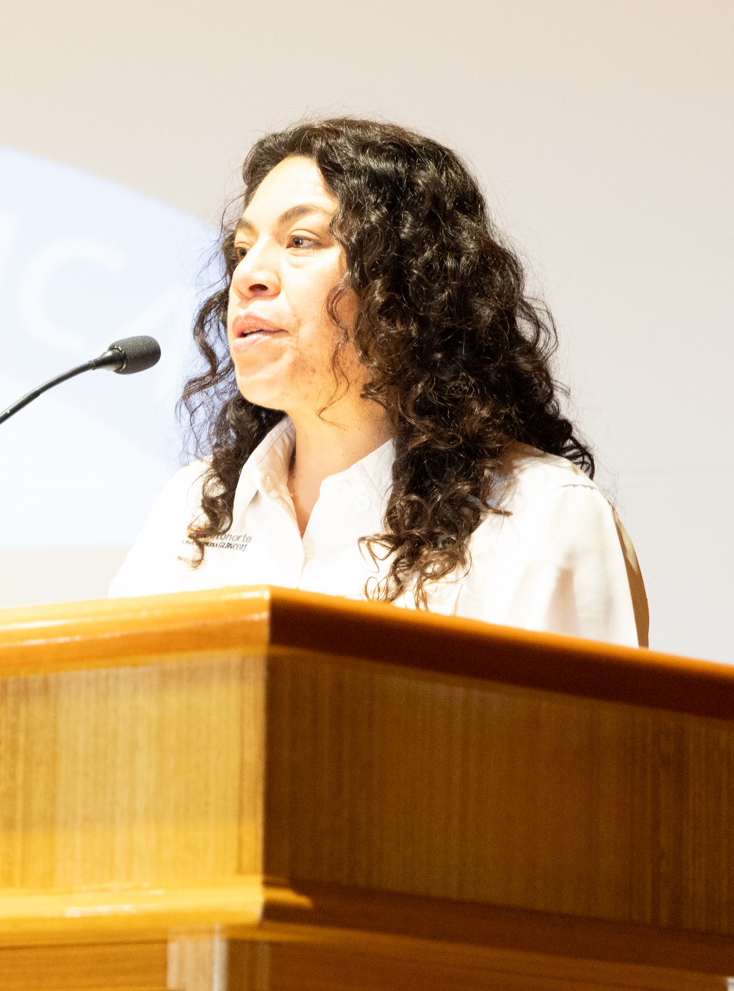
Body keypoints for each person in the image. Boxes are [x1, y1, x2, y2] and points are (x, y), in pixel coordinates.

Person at [110, 117, 648, 647]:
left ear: (408, 288)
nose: (247, 276)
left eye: (300, 240)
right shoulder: (194, 506)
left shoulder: (540, 516)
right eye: (242, 249)